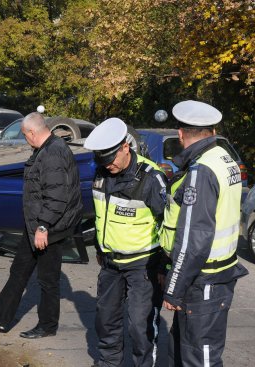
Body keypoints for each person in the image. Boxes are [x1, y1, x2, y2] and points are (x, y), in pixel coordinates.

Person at [0, 112, 82, 339]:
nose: (25, 139)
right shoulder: (45, 150)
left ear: (32, 132)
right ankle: (0, 317)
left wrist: (43, 227)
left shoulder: (53, 154)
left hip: (49, 228)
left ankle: (48, 326)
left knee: (48, 279)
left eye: (25, 135)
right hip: (37, 225)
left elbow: (57, 197)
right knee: (19, 270)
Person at [160, 100, 249, 366]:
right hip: (216, 273)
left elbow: (194, 237)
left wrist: (174, 289)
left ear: (180, 134)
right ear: (211, 131)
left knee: (200, 358)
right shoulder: (225, 158)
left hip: (204, 279)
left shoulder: (202, 170)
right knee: (185, 350)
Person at [84, 118, 167, 367]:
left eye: (110, 159)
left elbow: (169, 225)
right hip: (110, 263)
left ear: (125, 148)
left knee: (140, 326)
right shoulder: (101, 173)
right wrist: (100, 248)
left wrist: (164, 266)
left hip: (143, 264)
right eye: (102, 160)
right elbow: (102, 216)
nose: (107, 165)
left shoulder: (151, 179)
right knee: (106, 321)